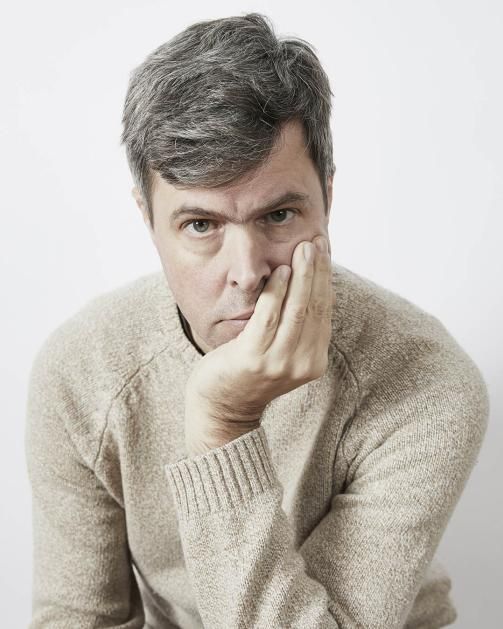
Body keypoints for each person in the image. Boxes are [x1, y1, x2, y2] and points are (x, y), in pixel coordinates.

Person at [25, 12, 489, 629]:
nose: (247, 272)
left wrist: (223, 424)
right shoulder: (82, 373)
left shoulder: (427, 382)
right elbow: (78, 619)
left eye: (279, 216)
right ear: (148, 219)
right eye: (201, 225)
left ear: (327, 197)